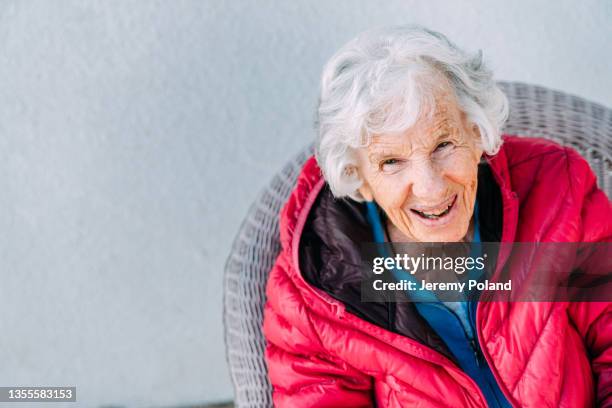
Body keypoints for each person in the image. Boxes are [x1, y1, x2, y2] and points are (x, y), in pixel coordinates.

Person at [262, 25, 612, 407]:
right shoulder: (315, 289)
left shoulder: (557, 191)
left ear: (477, 132)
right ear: (358, 178)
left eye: (443, 144)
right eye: (392, 162)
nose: (430, 188)